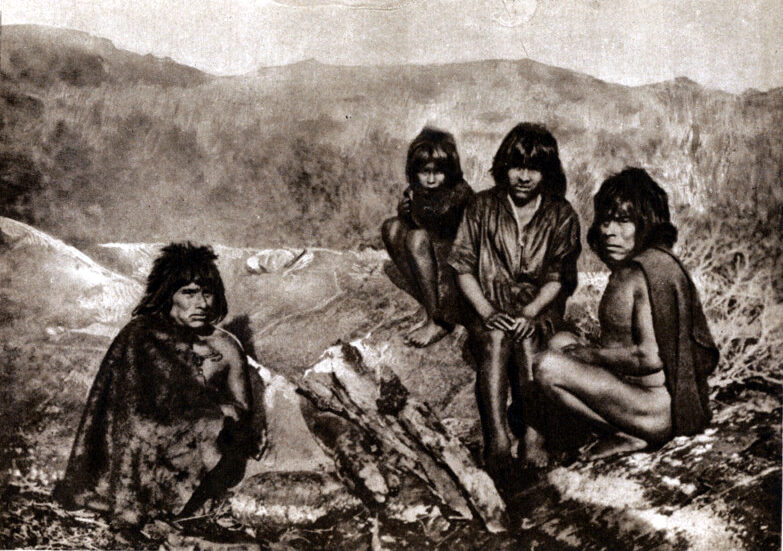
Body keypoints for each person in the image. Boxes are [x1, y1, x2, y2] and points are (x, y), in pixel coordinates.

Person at [55, 243, 260, 532]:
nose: (201, 303)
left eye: (207, 292)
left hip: (204, 447)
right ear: (167, 295)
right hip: (147, 445)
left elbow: (242, 411)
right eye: (188, 292)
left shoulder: (225, 346)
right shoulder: (139, 336)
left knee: (214, 427)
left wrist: (214, 411)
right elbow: (126, 412)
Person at [534, 168, 719, 458]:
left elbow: (649, 356)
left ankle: (629, 434)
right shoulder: (650, 264)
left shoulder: (639, 274)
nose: (608, 230)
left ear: (646, 223)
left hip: (655, 411)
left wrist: (590, 355)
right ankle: (627, 430)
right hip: (644, 399)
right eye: (606, 220)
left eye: (622, 221)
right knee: (560, 341)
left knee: (546, 366)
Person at [448, 123, 581, 476]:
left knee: (528, 338)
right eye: (516, 166)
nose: (523, 176)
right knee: (493, 338)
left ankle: (533, 436)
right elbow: (462, 268)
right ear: (503, 167)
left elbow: (557, 278)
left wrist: (531, 311)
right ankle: (497, 439)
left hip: (538, 306)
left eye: (533, 168)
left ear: (546, 172)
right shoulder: (481, 207)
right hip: (488, 303)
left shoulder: (560, 215)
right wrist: (486, 310)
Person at [381, 127, 474, 347]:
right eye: (424, 172)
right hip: (435, 264)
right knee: (392, 228)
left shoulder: (460, 192)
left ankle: (440, 320)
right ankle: (429, 300)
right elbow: (415, 223)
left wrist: (414, 213)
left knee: (416, 239)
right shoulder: (417, 191)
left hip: (460, 274)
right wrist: (404, 213)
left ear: (449, 171)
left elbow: (441, 222)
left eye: (438, 172)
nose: (431, 179)